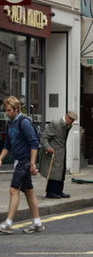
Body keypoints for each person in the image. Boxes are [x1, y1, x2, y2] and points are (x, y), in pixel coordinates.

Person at [0, 96, 45, 234]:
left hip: (24, 162)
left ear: (17, 109)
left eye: (9, 111)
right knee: (28, 192)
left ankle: (8, 223)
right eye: (5, 111)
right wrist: (0, 158)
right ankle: (37, 222)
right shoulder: (10, 124)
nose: (6, 114)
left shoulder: (24, 122)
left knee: (13, 191)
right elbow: (7, 145)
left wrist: (32, 163)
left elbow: (34, 143)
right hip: (18, 161)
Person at [39, 111, 77, 199]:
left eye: (73, 120)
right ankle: (50, 192)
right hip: (53, 152)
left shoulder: (67, 126)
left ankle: (59, 191)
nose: (72, 122)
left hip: (61, 152)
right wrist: (48, 147)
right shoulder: (55, 124)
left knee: (61, 172)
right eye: (71, 120)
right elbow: (44, 137)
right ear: (66, 117)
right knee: (53, 172)